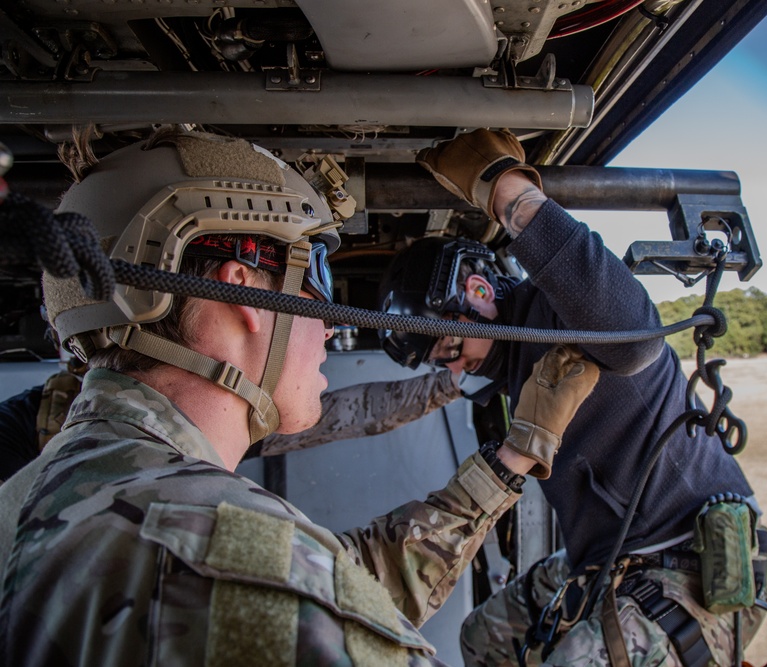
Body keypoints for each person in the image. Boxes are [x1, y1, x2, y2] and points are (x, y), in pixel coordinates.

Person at [0, 129, 599, 665]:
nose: (332, 322)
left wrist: (511, 458)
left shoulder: (40, 495)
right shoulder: (217, 560)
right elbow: (299, 595)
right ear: (242, 292)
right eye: (316, 273)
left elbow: (344, 583)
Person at [378, 129, 767, 667]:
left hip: (686, 551)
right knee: (483, 636)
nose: (451, 364)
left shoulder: (554, 308)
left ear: (477, 291)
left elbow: (632, 338)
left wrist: (506, 191)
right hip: (606, 558)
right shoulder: (510, 370)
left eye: (448, 345)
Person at [0, 354, 460, 481]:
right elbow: (353, 415)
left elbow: (352, 414)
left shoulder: (230, 419)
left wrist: (453, 382)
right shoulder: (220, 430)